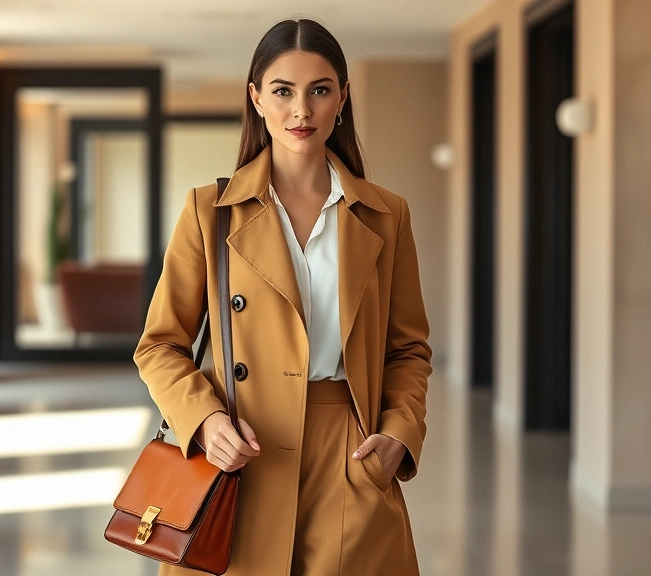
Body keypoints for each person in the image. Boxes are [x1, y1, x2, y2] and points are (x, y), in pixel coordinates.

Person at [134, 17, 431, 576]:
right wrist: (204, 422)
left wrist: (400, 432)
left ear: (342, 98)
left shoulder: (387, 216)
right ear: (256, 98)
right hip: (241, 453)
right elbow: (159, 345)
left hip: (351, 453)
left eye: (320, 90)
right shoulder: (209, 211)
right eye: (283, 91)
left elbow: (408, 348)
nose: (302, 110)